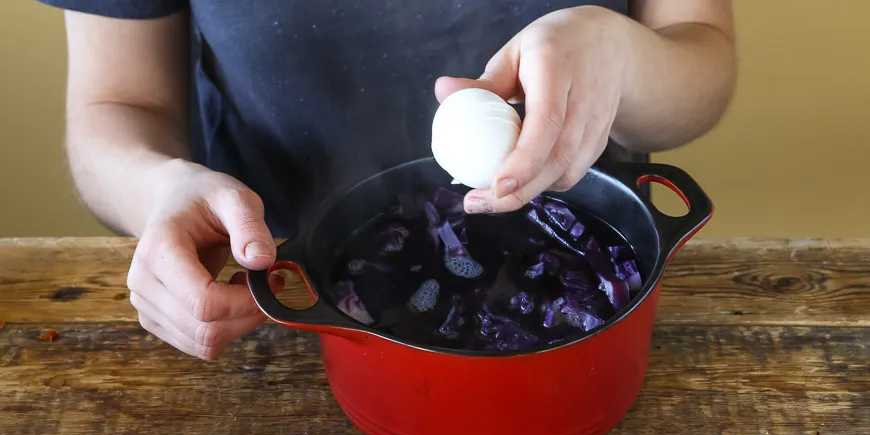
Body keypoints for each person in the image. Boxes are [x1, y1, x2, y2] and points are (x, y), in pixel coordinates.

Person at [36, 0, 736, 360]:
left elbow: (702, 59)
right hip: (284, 302)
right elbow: (118, 109)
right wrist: (158, 188)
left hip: (588, 276)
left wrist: (625, 54)